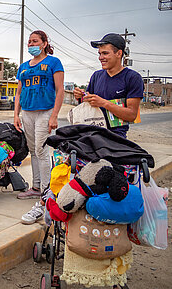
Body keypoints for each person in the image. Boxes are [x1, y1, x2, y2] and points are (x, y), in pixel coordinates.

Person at [13, 30, 65, 225]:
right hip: (27, 112)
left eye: (35, 41)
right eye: (29, 42)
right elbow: (18, 92)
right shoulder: (24, 67)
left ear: (44, 43)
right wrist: (16, 115)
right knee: (33, 151)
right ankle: (35, 187)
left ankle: (46, 193)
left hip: (45, 111)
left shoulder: (53, 63)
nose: (31, 44)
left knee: (42, 152)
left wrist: (54, 115)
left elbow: (60, 90)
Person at [73, 33, 144, 138]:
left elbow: (131, 115)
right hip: (91, 133)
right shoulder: (96, 76)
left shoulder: (132, 78)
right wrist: (80, 96)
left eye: (105, 53)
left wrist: (103, 103)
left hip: (115, 137)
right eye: (99, 53)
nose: (101, 58)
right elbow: (89, 104)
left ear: (119, 53)